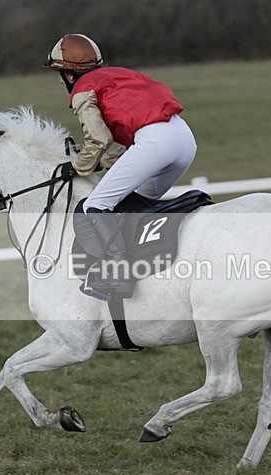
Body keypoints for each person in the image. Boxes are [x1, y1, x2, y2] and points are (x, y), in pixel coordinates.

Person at [43, 33, 197, 299]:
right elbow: (132, 146)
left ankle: (118, 274)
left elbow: (99, 138)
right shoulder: (116, 76)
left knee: (93, 206)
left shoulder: (82, 89)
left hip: (155, 142)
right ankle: (151, 271)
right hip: (183, 139)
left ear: (71, 73)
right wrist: (101, 162)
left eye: (61, 73)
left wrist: (77, 167)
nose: (60, 80)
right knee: (134, 204)